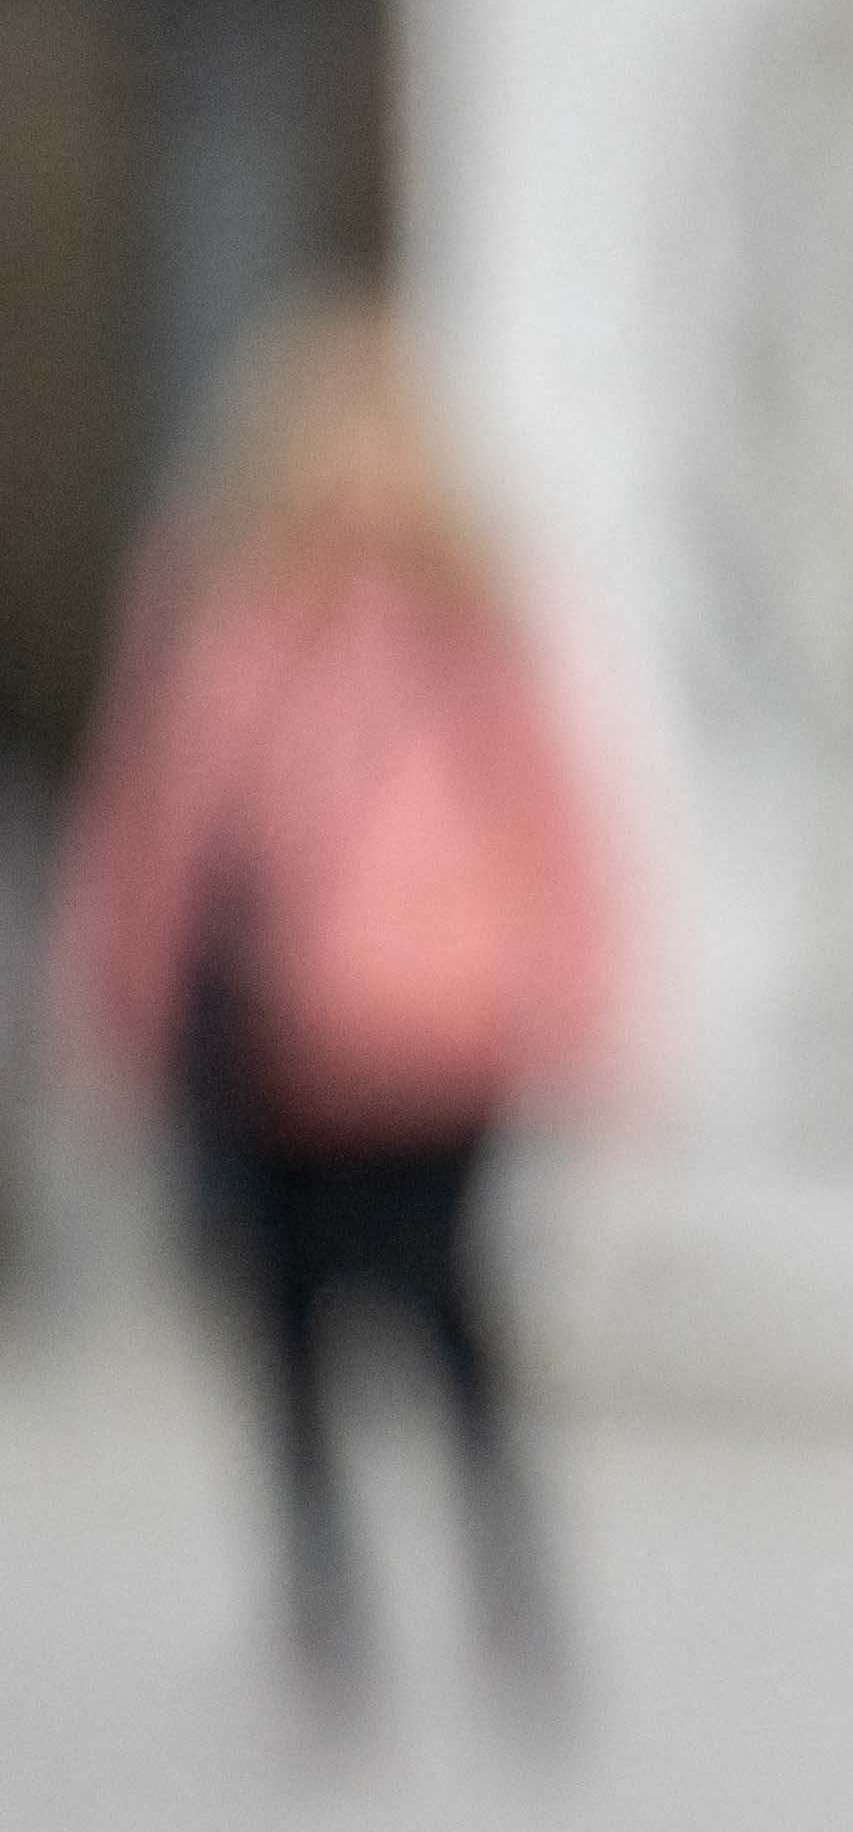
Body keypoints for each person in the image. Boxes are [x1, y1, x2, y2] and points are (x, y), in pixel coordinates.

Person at [47, 294, 621, 1746]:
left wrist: (571, 993)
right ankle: (325, 1606)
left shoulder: (458, 621)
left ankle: (505, 1583)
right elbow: (156, 824)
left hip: (425, 1023)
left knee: (443, 1310)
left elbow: (558, 825)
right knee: (282, 1320)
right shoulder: (221, 609)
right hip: (258, 1032)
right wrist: (116, 988)